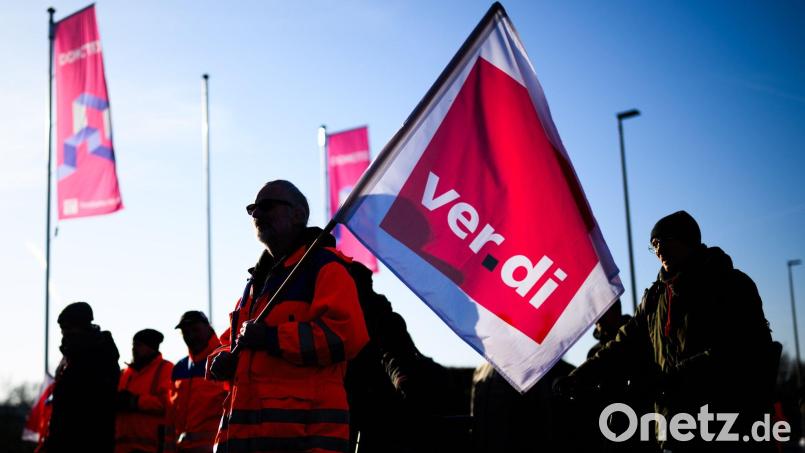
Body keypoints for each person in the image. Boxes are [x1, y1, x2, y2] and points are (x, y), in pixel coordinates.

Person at [558, 211, 778, 452]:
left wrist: (670, 380)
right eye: (654, 245)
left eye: (664, 241)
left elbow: (740, 352)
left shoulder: (729, 285)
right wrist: (580, 376)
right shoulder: (655, 299)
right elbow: (622, 344)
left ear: (687, 239)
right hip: (674, 428)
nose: (659, 250)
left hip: (729, 426)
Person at [206, 180, 369, 453]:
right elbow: (230, 344)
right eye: (252, 209)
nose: (257, 214)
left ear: (297, 215)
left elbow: (345, 336)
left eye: (267, 206)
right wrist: (220, 360)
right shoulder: (254, 285)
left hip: (307, 439)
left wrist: (271, 338)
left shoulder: (326, 268)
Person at [43, 301, 120, 453]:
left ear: (81, 326)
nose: (64, 333)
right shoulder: (72, 357)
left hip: (88, 442)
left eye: (67, 328)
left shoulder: (99, 356)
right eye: (62, 328)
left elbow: (94, 405)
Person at [166, 311, 228, 453]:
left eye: (195, 330)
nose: (190, 335)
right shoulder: (179, 368)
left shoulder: (224, 360)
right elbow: (171, 417)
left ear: (208, 328)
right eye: (185, 331)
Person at [115, 329, 174, 453]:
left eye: (139, 345)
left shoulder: (166, 370)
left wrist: (135, 401)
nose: (134, 349)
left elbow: (166, 405)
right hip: (123, 447)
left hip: (150, 447)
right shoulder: (125, 374)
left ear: (151, 347)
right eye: (133, 345)